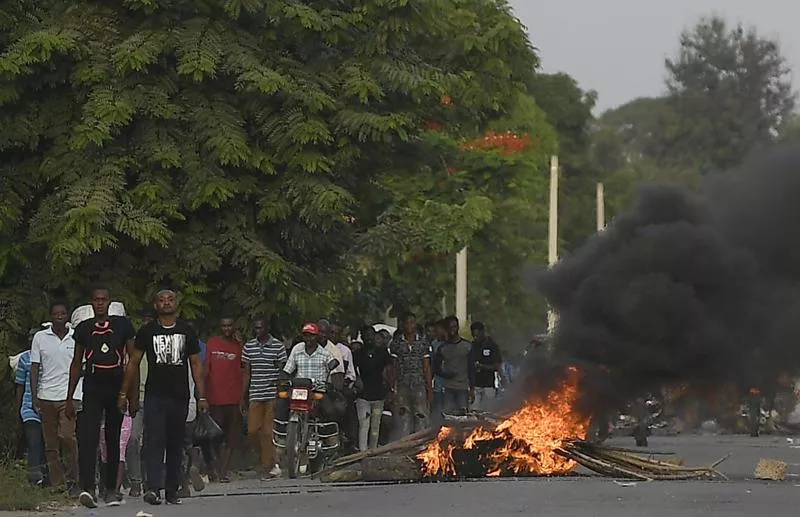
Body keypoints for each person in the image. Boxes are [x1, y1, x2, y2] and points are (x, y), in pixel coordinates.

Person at [119, 289, 208, 506]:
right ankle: (152, 489)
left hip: (180, 395)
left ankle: (171, 490)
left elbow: (196, 364)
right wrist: (124, 392)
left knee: (175, 442)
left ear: (176, 303)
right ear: (156, 304)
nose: (166, 303)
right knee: (155, 441)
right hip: (155, 395)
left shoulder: (187, 330)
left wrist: (202, 395)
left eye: (170, 300)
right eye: (161, 300)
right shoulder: (147, 331)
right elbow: (133, 362)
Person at [68, 289, 136, 508]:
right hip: (92, 384)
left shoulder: (123, 325)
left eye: (103, 300)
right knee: (88, 438)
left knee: (113, 437)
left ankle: (110, 489)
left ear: (109, 302)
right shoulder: (83, 328)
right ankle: (87, 487)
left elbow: (133, 362)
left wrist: (131, 395)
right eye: (96, 300)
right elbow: (77, 363)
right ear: (91, 303)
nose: (99, 304)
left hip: (116, 385)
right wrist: (69, 397)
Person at [31, 302, 79, 497]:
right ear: (51, 316)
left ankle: (73, 480)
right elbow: (34, 368)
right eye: (56, 313)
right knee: (51, 444)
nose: (59, 316)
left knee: (68, 437)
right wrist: (35, 398)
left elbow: (80, 365)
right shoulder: (40, 337)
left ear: (67, 316)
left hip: (68, 397)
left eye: (63, 313)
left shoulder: (75, 336)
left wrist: (75, 394)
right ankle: (58, 485)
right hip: (46, 396)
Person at [242, 315, 286, 479]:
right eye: (256, 328)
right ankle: (265, 459)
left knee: (268, 432)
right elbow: (247, 372)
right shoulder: (249, 347)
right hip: (255, 393)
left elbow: (282, 370)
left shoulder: (277, 346)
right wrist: (242, 396)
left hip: (271, 394)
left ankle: (269, 466)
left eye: (261, 327)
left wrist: (279, 392)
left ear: (267, 328)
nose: (258, 330)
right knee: (252, 430)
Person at [204, 316, 243, 482]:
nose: (227, 329)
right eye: (224, 326)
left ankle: (224, 471)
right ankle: (216, 469)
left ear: (234, 326)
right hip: (215, 398)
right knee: (215, 436)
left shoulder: (239, 346)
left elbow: (244, 370)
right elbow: (206, 369)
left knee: (231, 437)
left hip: (234, 398)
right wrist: (202, 395)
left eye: (229, 325)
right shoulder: (212, 343)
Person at [388, 313, 433, 439]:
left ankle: (420, 446)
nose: (410, 325)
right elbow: (394, 367)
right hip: (402, 384)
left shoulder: (423, 343)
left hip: (419, 384)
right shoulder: (396, 343)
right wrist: (392, 388)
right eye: (407, 322)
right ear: (403, 325)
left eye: (412, 322)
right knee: (403, 416)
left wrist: (429, 389)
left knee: (421, 415)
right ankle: (404, 445)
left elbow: (427, 367)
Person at [125, 308, 154, 497]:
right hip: (136, 400)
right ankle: (135, 481)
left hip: (155, 400)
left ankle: (151, 482)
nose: (146, 324)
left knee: (153, 443)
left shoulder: (161, 347)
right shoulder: (133, 347)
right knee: (132, 440)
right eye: (144, 321)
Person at [353, 326, 391, 451]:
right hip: (363, 396)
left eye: (371, 335)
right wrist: (357, 380)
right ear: (362, 337)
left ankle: (374, 451)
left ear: (375, 336)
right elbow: (353, 371)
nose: (368, 337)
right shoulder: (357, 354)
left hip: (378, 395)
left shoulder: (383, 352)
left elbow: (389, 370)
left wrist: (389, 388)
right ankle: (362, 452)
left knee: (375, 426)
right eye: (366, 335)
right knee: (364, 425)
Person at [15, 346, 45, 485]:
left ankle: (48, 478)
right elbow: (20, 386)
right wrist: (18, 414)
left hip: (49, 404)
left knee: (48, 445)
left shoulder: (49, 355)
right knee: (34, 441)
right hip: (28, 407)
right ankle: (34, 478)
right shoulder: (25, 358)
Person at [434, 315, 474, 411]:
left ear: (458, 327)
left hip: (463, 388)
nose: (453, 329)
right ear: (446, 329)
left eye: (455, 326)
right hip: (448, 388)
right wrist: (446, 375)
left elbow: (471, 368)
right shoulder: (442, 348)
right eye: (450, 327)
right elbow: (436, 368)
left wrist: (472, 389)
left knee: (463, 416)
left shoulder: (467, 346)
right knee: (449, 417)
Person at [469, 322, 503, 410]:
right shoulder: (472, 346)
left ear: (483, 332)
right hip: (475, 385)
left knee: (488, 412)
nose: (476, 338)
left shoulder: (492, 345)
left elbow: (497, 365)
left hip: (488, 385)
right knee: (473, 411)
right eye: (474, 336)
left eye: (477, 336)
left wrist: (482, 366)